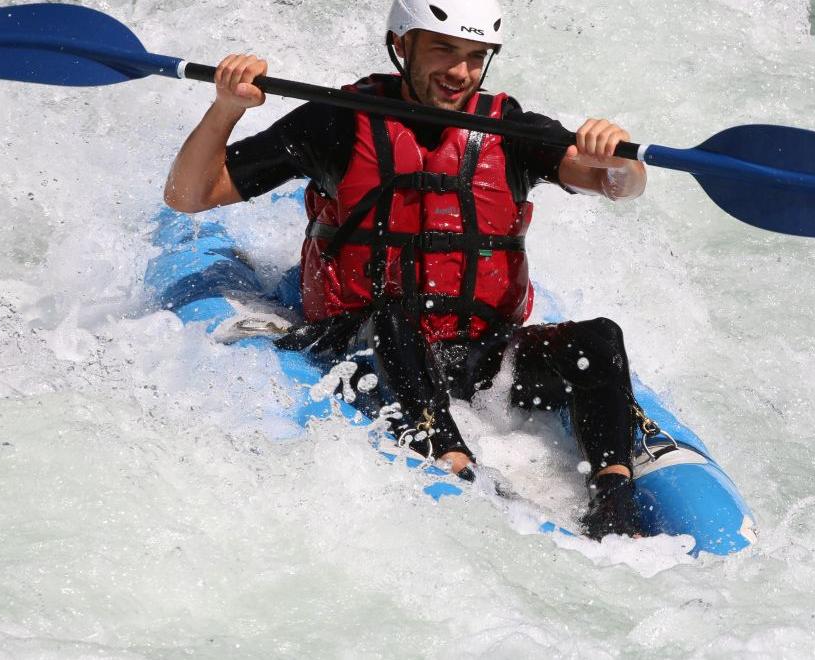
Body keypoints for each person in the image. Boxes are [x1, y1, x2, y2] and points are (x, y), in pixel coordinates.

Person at [164, 0, 650, 539]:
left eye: (474, 56)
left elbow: (612, 185)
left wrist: (621, 162)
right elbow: (191, 194)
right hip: (363, 342)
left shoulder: (510, 130)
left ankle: (613, 494)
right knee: (395, 316)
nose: (459, 72)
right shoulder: (337, 121)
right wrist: (227, 107)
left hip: (483, 357)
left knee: (600, 338)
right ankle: (451, 460)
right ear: (402, 45)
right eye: (443, 49)